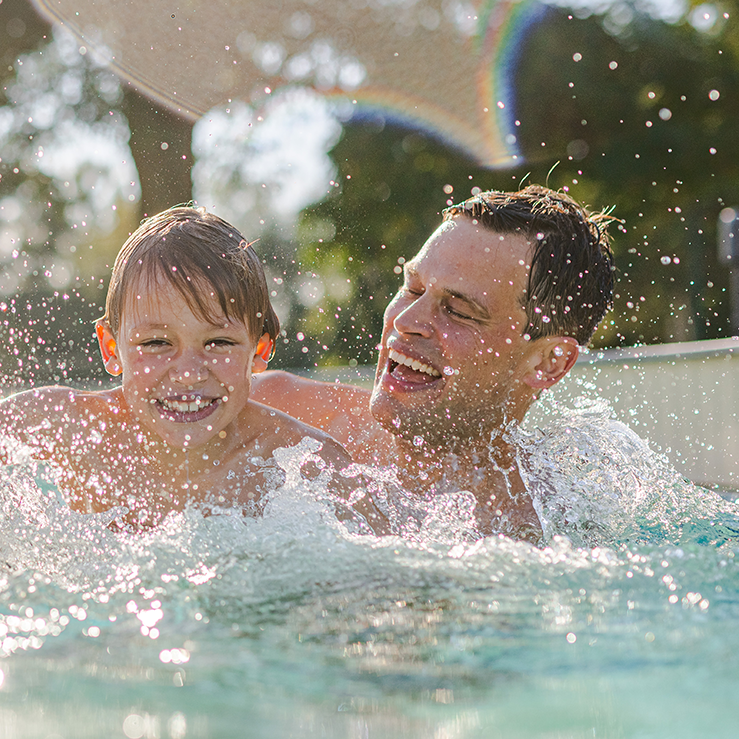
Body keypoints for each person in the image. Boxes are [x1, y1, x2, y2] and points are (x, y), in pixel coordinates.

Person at [0, 206, 374, 531]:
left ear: (259, 353)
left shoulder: (305, 466)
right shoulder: (69, 426)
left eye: (217, 343)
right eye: (156, 343)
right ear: (111, 349)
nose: (188, 372)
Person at [251, 185, 617, 540]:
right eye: (412, 289)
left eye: (458, 311)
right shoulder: (266, 419)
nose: (405, 320)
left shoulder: (548, 531)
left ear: (548, 362)